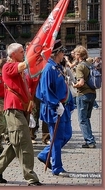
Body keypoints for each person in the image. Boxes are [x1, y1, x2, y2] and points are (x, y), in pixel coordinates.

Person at [0, 43, 42, 186]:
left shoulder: (21, 70)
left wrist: (40, 63)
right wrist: (36, 54)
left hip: (22, 110)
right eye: (21, 51)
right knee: (25, 143)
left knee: (16, 142)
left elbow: (32, 79)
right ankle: (31, 177)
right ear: (12, 55)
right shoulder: (8, 66)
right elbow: (23, 65)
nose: (23, 53)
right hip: (13, 110)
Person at [36, 40, 75, 177]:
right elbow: (45, 91)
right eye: (62, 51)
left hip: (62, 107)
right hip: (54, 108)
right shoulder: (48, 68)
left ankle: (44, 154)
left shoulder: (57, 66)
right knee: (57, 139)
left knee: (67, 135)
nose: (64, 54)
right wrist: (55, 104)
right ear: (56, 53)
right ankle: (57, 167)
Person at [72, 45, 97, 148]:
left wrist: (74, 85)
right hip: (92, 93)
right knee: (87, 118)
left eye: (75, 54)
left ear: (78, 55)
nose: (73, 55)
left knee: (82, 120)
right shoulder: (89, 64)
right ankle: (90, 139)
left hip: (83, 94)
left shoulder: (80, 66)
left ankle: (90, 141)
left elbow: (81, 82)